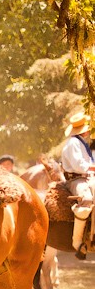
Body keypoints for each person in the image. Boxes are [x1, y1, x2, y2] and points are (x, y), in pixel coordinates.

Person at [60, 110, 95, 257]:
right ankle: (78, 242)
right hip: (76, 179)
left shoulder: (81, 143)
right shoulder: (73, 143)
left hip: (87, 177)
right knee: (86, 200)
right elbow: (80, 166)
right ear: (84, 131)